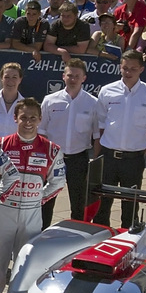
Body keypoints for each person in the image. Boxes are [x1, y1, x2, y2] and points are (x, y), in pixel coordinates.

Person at [0, 96, 65, 293]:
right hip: (3, 212)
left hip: (32, 214)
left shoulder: (51, 149)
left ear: (40, 120)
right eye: (23, 117)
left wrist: (39, 198)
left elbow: (58, 181)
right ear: (15, 118)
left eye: (33, 118)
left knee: (25, 265)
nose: (28, 122)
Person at [97, 49, 146, 228]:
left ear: (141, 69)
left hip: (133, 159)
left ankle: (128, 244)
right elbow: (101, 125)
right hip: (109, 157)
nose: (128, 73)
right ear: (120, 67)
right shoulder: (106, 91)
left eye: (133, 69)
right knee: (102, 204)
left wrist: (141, 151)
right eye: (125, 68)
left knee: (130, 206)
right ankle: (100, 242)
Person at [38, 58, 100, 223]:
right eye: (70, 75)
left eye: (77, 76)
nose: (73, 79)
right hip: (53, 159)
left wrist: (96, 162)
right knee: (46, 201)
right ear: (63, 76)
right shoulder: (50, 100)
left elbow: (96, 136)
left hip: (78, 159)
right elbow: (41, 131)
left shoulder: (92, 103)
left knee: (79, 202)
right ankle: (42, 234)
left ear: (84, 78)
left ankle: (77, 235)